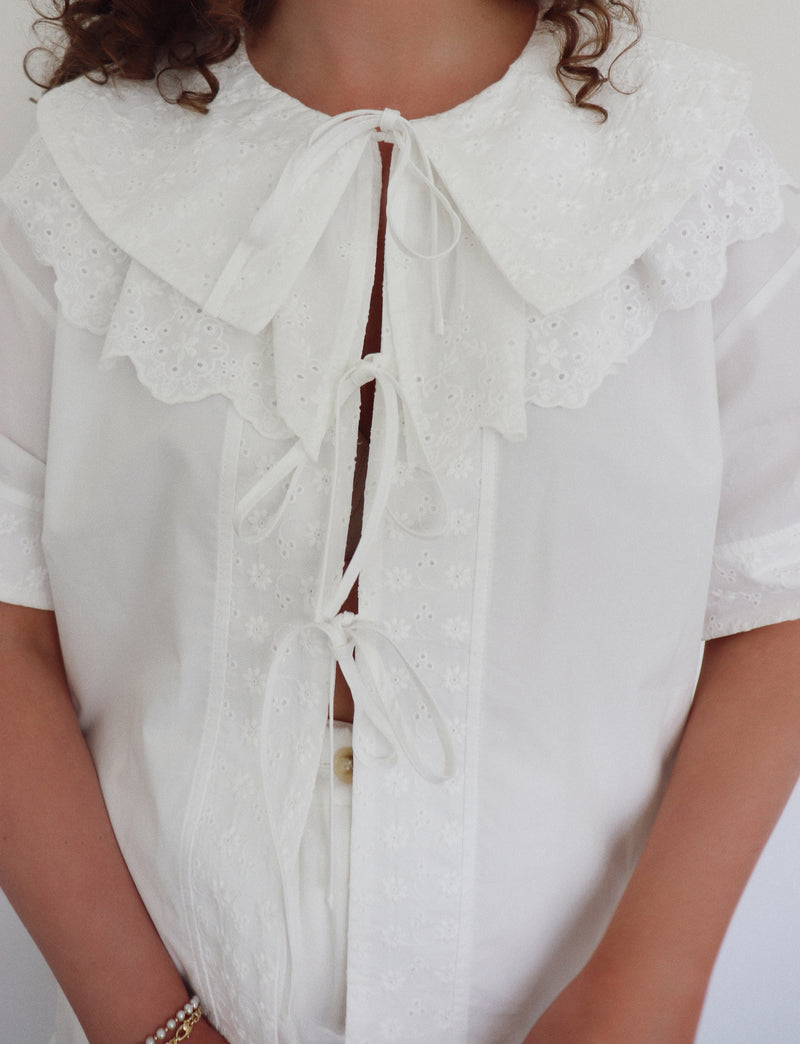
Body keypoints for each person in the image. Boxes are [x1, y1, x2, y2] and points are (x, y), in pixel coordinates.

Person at [1, 0, 799, 1041]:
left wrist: (646, 986)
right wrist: (149, 1023)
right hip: (166, 986)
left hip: (586, 992)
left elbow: (772, 599)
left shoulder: (692, 169)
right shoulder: (79, 176)